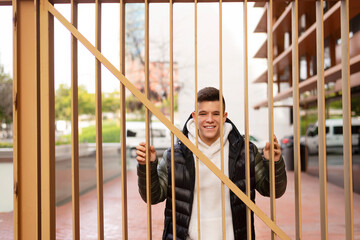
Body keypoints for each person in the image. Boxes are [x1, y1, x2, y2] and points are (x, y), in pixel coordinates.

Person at [136, 87, 287, 240]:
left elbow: (273, 191)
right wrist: (147, 167)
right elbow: (153, 196)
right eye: (203, 114)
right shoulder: (175, 155)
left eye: (216, 114)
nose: (209, 119)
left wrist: (273, 162)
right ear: (194, 116)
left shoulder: (246, 152)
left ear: (224, 116)